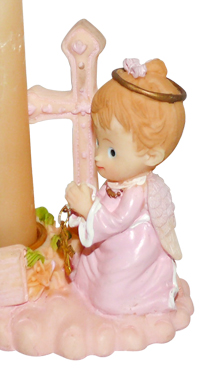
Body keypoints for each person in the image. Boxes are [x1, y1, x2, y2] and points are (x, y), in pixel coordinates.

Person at [65, 58, 186, 315]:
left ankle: (145, 301)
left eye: (111, 151)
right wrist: (85, 205)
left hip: (131, 250)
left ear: (151, 155)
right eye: (99, 143)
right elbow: (105, 204)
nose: (98, 157)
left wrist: (87, 208)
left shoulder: (136, 192)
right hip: (108, 244)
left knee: (109, 300)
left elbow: (115, 222)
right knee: (86, 269)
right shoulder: (118, 182)